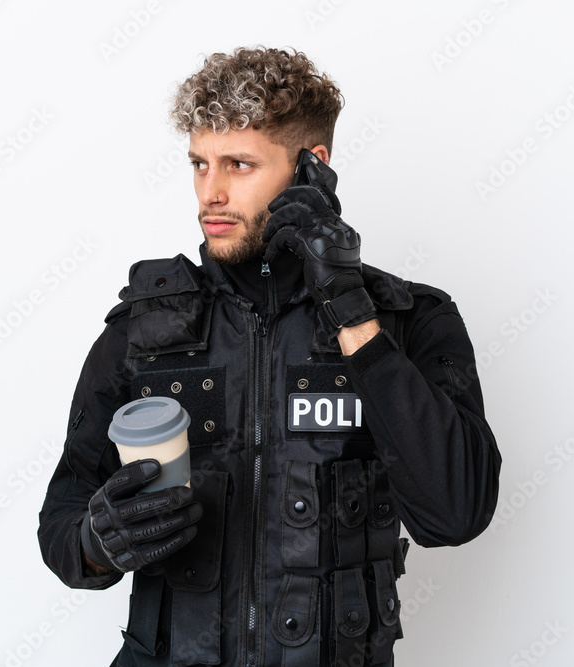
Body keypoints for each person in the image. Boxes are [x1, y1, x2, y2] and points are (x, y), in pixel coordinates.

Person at [38, 46, 501, 667]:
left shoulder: (409, 318)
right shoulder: (143, 330)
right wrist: (99, 540)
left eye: (239, 164)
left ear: (313, 168)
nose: (212, 193)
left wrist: (350, 310)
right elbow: (62, 523)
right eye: (200, 165)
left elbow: (457, 512)